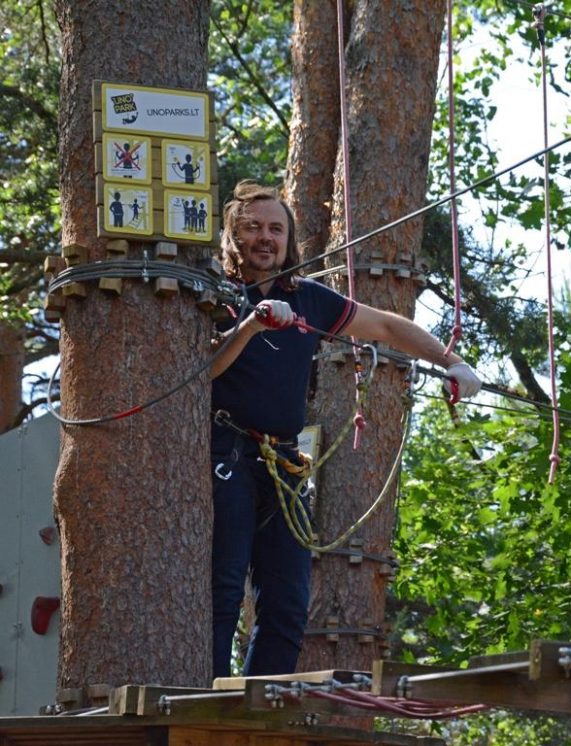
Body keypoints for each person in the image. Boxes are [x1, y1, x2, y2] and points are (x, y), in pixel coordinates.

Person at [209, 180, 481, 679]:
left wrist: (452, 360)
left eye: (276, 229)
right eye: (252, 228)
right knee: (222, 591)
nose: (265, 238)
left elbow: (387, 327)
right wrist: (250, 324)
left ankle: (257, 706)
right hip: (228, 453)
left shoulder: (307, 300)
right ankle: (201, 696)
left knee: (289, 604)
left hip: (284, 464)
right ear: (232, 238)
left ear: (290, 242)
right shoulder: (217, 296)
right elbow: (203, 370)